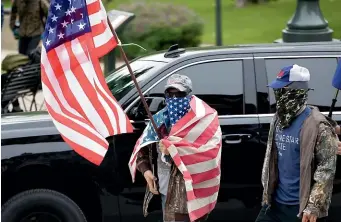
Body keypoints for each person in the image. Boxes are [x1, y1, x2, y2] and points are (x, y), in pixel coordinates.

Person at [128, 74, 222, 222]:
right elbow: (142, 149)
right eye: (170, 94)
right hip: (166, 192)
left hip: (192, 197)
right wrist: (145, 170)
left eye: (180, 94)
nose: (174, 99)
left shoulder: (204, 119)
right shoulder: (159, 120)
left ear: (189, 95)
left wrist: (173, 149)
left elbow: (209, 156)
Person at [256, 64, 338, 222]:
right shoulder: (279, 118)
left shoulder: (318, 126)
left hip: (299, 208)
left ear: (296, 92)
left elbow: (326, 170)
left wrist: (314, 206)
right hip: (274, 204)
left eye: (282, 89)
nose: (278, 94)